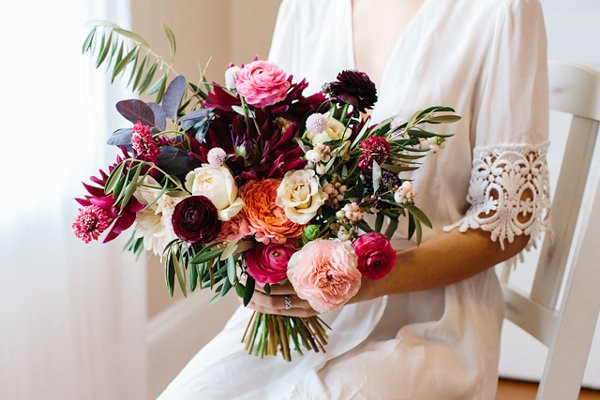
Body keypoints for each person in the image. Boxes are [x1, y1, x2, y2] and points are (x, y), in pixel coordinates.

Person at [158, 0, 550, 398]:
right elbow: (268, 155)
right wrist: (257, 264)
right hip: (297, 323)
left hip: (429, 324)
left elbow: (508, 223)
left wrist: (360, 282)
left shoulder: (501, 11)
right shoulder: (305, 8)